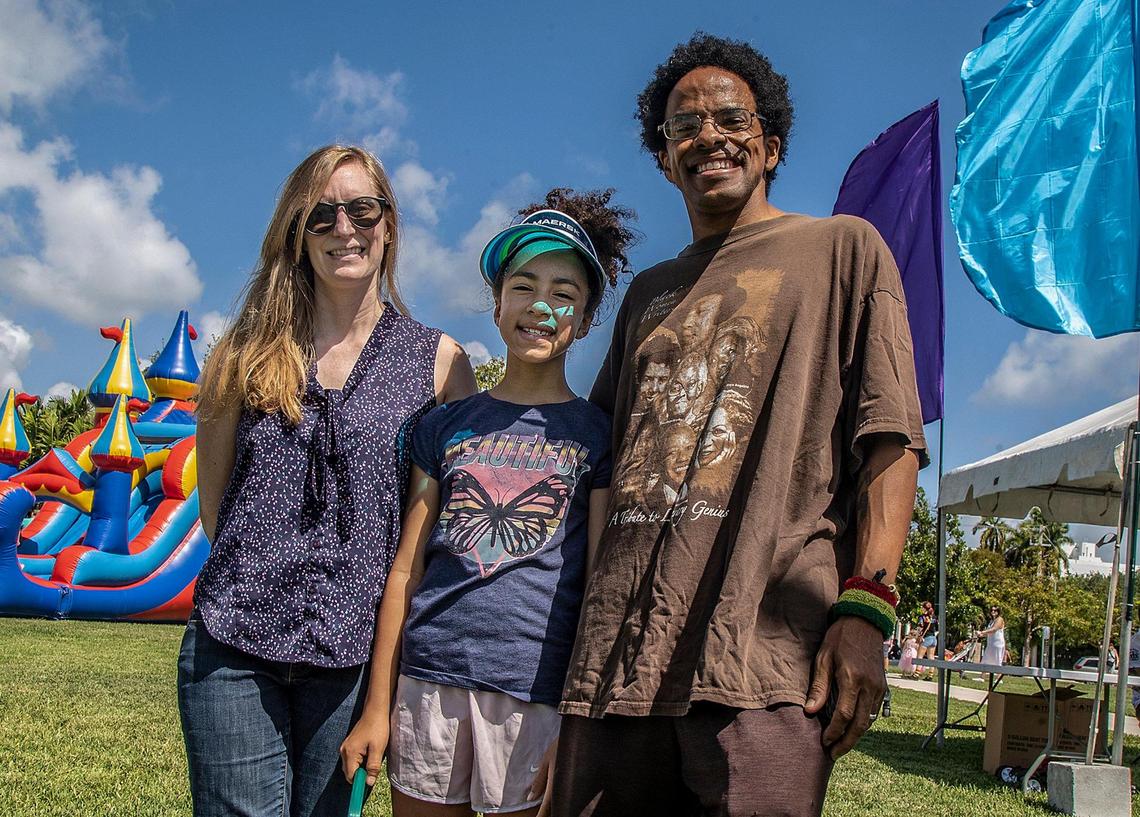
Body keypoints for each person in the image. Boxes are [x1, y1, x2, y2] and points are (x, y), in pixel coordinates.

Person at [552, 33, 927, 817]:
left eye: (731, 118)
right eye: (683, 127)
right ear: (663, 158)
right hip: (620, 661)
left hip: (763, 658)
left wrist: (867, 609)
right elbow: (600, 459)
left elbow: (890, 440)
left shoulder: (842, 250)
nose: (707, 137)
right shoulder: (648, 293)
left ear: (771, 143)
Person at [180, 144, 477, 817]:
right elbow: (214, 505)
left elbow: (434, 535)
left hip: (354, 660)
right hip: (232, 642)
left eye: (362, 209)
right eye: (321, 215)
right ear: (297, 232)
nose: (345, 228)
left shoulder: (440, 362)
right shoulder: (241, 352)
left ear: (389, 223)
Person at [339, 189, 639, 816]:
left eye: (564, 294)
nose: (541, 306)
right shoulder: (445, 427)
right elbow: (406, 568)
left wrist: (578, 722)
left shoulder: (596, 437)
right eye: (523, 286)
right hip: (428, 681)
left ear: (584, 320)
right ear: (498, 306)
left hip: (537, 692)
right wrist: (377, 705)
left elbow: (601, 586)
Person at [914, 600, 937, 680]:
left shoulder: (922, 617)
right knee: (931, 656)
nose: (921, 608)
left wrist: (917, 636)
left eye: (922, 607)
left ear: (924, 608)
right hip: (934, 638)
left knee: (919, 656)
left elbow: (920, 627)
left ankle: (916, 674)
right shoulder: (934, 617)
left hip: (926, 638)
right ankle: (930, 674)